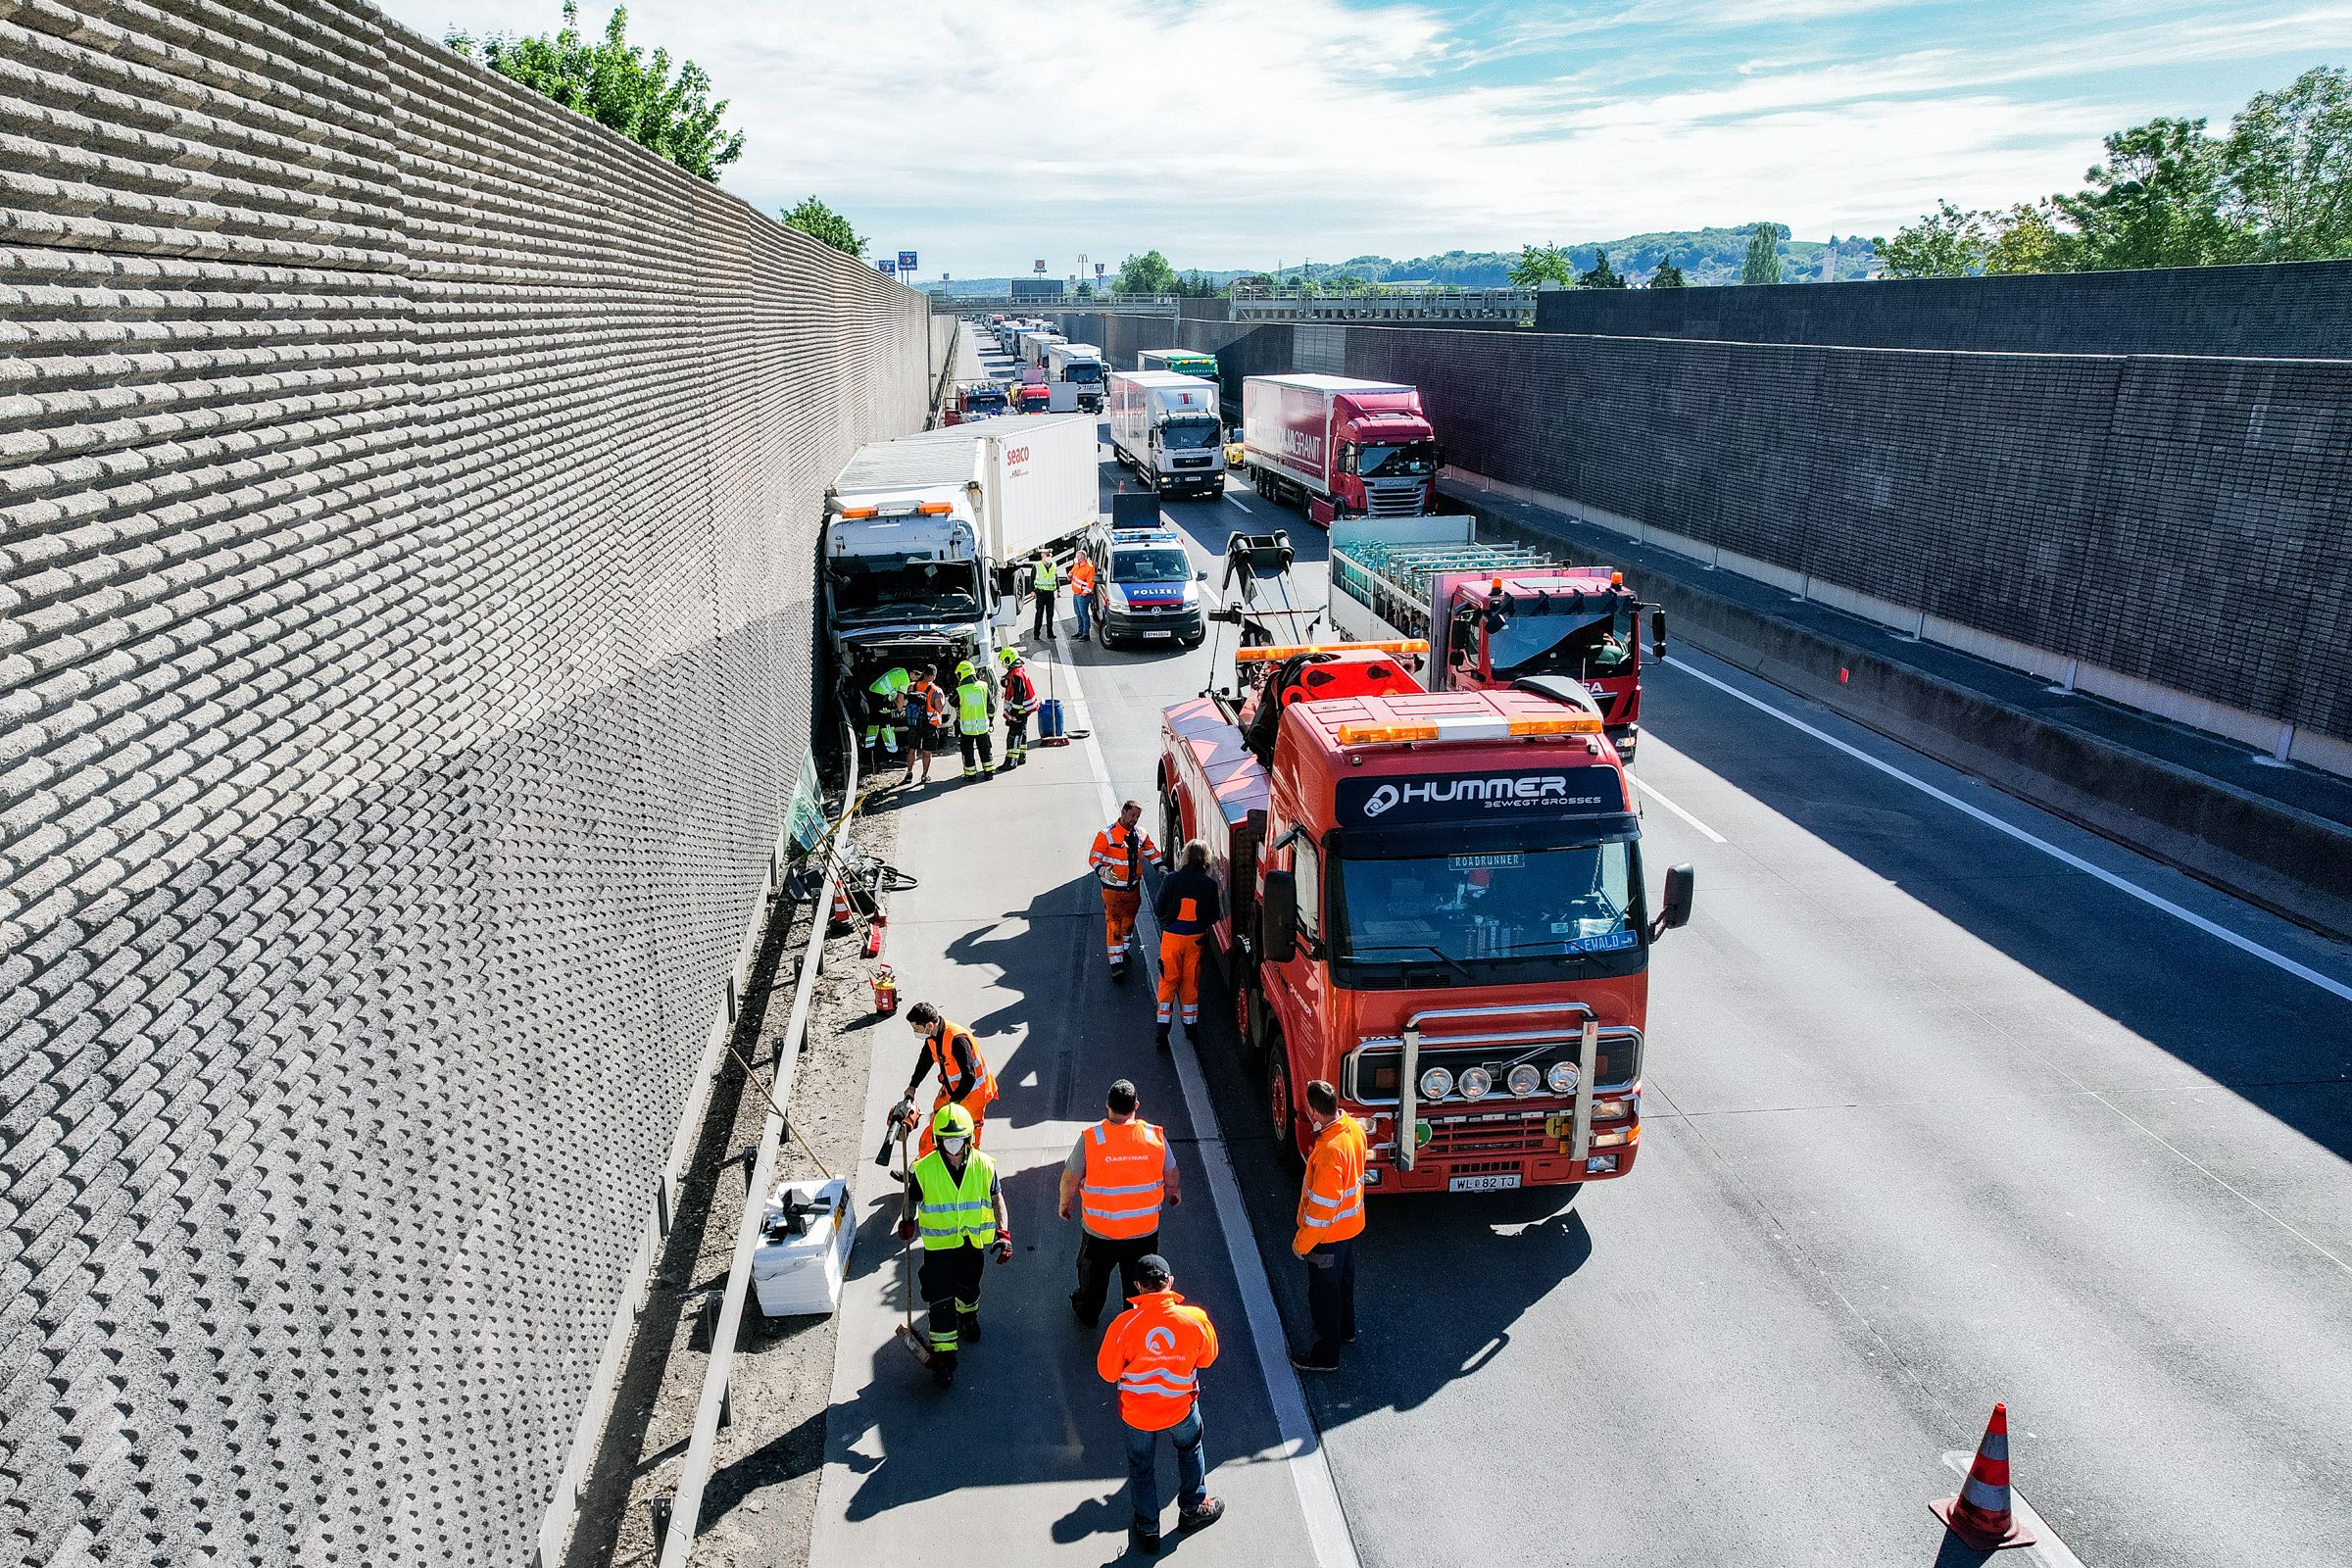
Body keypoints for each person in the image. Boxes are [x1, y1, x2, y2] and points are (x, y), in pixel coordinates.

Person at [1096, 1253, 1224, 1555]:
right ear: (1170, 1283)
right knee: (1190, 1450)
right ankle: (1193, 1508)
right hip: (1181, 1407)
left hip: (1138, 1414)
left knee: (1141, 1467)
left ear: (1138, 1286)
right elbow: (1208, 1358)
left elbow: (1107, 1372)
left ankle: (1148, 1527)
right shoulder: (1195, 1319)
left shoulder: (1124, 1324)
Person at [901, 1102, 1011, 1387]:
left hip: (970, 1244)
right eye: (947, 1141)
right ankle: (945, 1358)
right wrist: (907, 1220)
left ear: (968, 1139)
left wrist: (1003, 1232)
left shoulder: (984, 1166)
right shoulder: (924, 1170)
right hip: (938, 1248)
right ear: (938, 1141)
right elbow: (911, 1199)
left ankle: (968, 1316)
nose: (953, 1147)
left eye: (958, 1140)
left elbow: (997, 1198)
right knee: (939, 1300)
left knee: (969, 1287)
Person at [1058, 1079, 1180, 1328]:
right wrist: (1173, 1192)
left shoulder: (1092, 1139)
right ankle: (1134, 1321)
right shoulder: (1153, 1136)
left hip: (1100, 1233)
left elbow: (1071, 1177)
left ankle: (1088, 1313)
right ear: (1135, 1105)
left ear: (1107, 1106)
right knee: (1137, 1283)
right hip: (1143, 1233)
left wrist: (1065, 1202)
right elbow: (1172, 1173)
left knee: (1092, 1280)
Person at [1288, 1080, 1365, 1373]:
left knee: (1324, 1297)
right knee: (1344, 1286)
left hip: (1328, 1238)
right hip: (1349, 1229)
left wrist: (1302, 1243)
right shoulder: (1353, 1129)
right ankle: (1346, 1331)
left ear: (1313, 1110)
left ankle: (1325, 1355)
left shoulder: (1329, 1151)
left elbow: (1321, 1211)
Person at [903, 1002, 998, 1157]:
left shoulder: (957, 1039)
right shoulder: (932, 1036)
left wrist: (953, 1104)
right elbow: (925, 1060)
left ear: (930, 1025)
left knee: (967, 1137)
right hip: (953, 1090)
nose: (916, 1032)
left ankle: (970, 1171)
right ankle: (917, 1171)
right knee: (936, 1129)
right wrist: (913, 1086)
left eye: (917, 1029)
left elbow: (969, 1076)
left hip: (974, 1094)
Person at [1152, 839, 1219, 1051]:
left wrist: (1168, 924)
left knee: (1168, 981)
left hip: (1171, 938)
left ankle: (1162, 1031)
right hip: (1195, 940)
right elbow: (1214, 915)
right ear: (1205, 859)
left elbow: (1158, 907)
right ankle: (1191, 1029)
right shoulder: (1210, 885)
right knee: (1190, 983)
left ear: (1185, 856)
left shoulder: (1172, 879)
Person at [1089, 801, 1162, 982]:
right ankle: (1117, 966)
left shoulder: (1140, 834)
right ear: (1123, 812)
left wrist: (1161, 867)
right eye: (1132, 815)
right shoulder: (1106, 835)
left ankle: (1122, 951)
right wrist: (1102, 870)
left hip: (1132, 890)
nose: (1134, 820)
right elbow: (1094, 857)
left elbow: (1152, 852)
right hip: (1113, 891)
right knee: (1114, 924)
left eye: (1137, 817)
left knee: (1128, 923)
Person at [904, 665, 951, 785]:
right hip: (929, 724)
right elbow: (939, 708)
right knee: (926, 752)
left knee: (912, 749)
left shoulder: (911, 686)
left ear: (923, 674)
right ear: (934, 676)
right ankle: (924, 775)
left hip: (914, 723)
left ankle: (909, 773)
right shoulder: (936, 690)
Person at [861, 665, 910, 776]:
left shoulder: (900, 671)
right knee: (887, 725)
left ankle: (869, 750)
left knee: (874, 723)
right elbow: (900, 699)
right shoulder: (906, 680)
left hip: (873, 693)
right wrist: (900, 711)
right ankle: (892, 752)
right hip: (880, 697)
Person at [953, 659, 996, 779]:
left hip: (967, 729)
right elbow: (991, 707)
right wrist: (990, 721)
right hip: (983, 727)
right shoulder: (983, 686)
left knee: (968, 752)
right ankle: (989, 772)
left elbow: (952, 702)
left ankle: (971, 775)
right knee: (985, 750)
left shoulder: (960, 691)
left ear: (962, 674)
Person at [999, 646, 1036, 765]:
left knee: (1014, 734)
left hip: (1019, 710)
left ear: (1009, 659)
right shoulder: (1017, 671)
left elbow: (1019, 695)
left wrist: (1013, 713)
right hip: (1024, 709)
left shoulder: (1016, 675)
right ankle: (1021, 756)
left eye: (1004, 661)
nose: (1003, 664)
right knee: (1022, 732)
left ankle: (1011, 761)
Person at [1030, 547, 1059, 638]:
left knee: (1050, 615)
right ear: (1043, 555)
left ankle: (1050, 633)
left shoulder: (1053, 565)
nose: (1050, 556)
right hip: (1040, 593)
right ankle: (1036, 634)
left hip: (1050, 594)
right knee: (1039, 614)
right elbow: (1032, 578)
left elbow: (1056, 578)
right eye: (1048, 555)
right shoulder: (1037, 565)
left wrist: (1058, 590)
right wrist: (1032, 590)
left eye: (1050, 555)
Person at [1069, 550, 1098, 642]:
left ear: (1082, 558)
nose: (1076, 558)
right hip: (1077, 594)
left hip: (1083, 595)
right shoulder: (1077, 565)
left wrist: (1084, 593)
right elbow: (1072, 572)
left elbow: (1091, 582)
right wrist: (1069, 575)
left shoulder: (1089, 568)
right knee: (1078, 613)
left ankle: (1086, 634)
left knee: (1083, 614)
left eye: (1078, 557)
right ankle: (1080, 632)